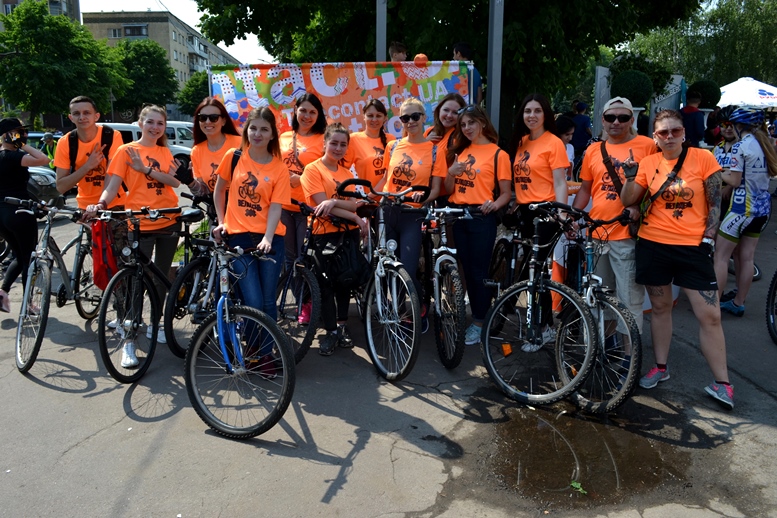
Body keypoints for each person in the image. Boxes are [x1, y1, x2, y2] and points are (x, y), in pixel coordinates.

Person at [620, 108, 733, 410]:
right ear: (655, 137)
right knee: (660, 308)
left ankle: (723, 383)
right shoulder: (649, 163)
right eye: (663, 132)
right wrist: (629, 177)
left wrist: (710, 235)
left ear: (684, 133)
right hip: (653, 244)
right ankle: (660, 366)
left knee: (710, 315)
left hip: (693, 247)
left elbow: (715, 203)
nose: (669, 136)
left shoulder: (703, 158)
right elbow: (628, 199)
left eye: (675, 131)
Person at [88, 105, 182, 367]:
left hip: (169, 219)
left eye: (160, 123)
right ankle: (129, 338)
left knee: (161, 278)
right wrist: (101, 204)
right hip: (139, 222)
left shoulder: (164, 151)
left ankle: (155, 324)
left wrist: (146, 170)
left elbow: (174, 182)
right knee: (134, 280)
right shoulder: (126, 151)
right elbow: (113, 184)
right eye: (150, 122)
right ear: (140, 124)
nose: (155, 127)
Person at [211, 107, 289, 373]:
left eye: (264, 129)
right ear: (246, 131)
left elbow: (276, 207)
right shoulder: (233, 158)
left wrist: (268, 237)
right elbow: (219, 191)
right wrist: (222, 221)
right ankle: (253, 348)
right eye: (253, 128)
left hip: (270, 240)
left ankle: (263, 354)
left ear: (272, 135)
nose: (258, 133)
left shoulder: (279, 167)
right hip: (238, 238)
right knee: (252, 301)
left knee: (267, 301)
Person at [572, 96, 656, 333]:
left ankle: (630, 353)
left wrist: (639, 208)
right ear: (602, 120)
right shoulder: (593, 150)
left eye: (622, 117)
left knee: (629, 302)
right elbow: (586, 189)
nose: (616, 122)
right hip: (598, 233)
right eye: (610, 117)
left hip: (627, 235)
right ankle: (604, 349)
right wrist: (572, 217)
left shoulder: (647, 146)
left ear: (631, 120)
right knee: (600, 299)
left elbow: (656, 186)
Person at [375, 97, 446, 328]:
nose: (411, 121)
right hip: (388, 211)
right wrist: (370, 196)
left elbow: (436, 189)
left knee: (406, 266)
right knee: (387, 266)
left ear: (424, 117)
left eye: (415, 116)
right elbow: (386, 179)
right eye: (405, 118)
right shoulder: (393, 146)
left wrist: (424, 197)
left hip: (412, 215)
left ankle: (418, 308)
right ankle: (396, 311)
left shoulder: (434, 150)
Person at [444, 105, 511, 345]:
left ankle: (480, 322)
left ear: (482, 122)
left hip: (482, 217)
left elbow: (506, 193)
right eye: (463, 125)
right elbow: (448, 189)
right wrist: (451, 172)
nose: (467, 128)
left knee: (478, 271)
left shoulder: (498, 154)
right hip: (458, 216)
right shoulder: (460, 151)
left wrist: (494, 205)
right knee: (465, 269)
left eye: (471, 123)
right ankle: (477, 315)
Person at [300, 123, 369, 356]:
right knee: (326, 285)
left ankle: (342, 326)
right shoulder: (312, 170)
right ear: (325, 143)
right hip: (323, 233)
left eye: (343, 144)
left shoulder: (347, 174)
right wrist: (354, 216)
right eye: (334, 143)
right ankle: (330, 331)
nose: (338, 148)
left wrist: (335, 202)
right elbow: (321, 205)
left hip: (347, 233)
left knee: (345, 283)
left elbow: (354, 204)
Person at [508, 93, 570, 348]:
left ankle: (543, 328)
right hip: (525, 211)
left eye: (537, 111)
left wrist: (562, 213)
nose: (531, 115)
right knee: (533, 270)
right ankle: (542, 325)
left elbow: (560, 182)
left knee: (536, 270)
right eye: (527, 111)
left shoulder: (553, 142)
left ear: (546, 114)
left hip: (546, 212)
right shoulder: (522, 141)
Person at [714, 108, 777, 317]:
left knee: (720, 256)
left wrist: (716, 171)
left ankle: (713, 305)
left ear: (739, 126)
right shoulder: (764, 144)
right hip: (762, 209)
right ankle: (738, 302)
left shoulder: (740, 146)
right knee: (747, 257)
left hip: (741, 209)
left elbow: (734, 180)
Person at [0, 118, 51, 313]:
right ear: (8, 135)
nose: (25, 135)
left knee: (20, 256)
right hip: (19, 213)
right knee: (30, 259)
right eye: (20, 132)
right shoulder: (13, 156)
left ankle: (3, 292)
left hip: (2, 214)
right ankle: (28, 304)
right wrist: (21, 144)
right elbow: (44, 159)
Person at [279, 93, 327, 276]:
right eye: (303, 111)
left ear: (318, 114)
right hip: (283, 205)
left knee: (303, 257)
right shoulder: (284, 137)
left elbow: (328, 171)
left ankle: (306, 293)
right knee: (288, 257)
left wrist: (302, 179)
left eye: (312, 112)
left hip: (307, 208)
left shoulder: (323, 139)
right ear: (295, 110)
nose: (307, 116)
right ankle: (293, 291)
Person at [54, 96, 124, 210]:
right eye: (76, 113)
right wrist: (87, 166)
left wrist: (100, 204)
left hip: (114, 204)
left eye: (87, 113)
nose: (82, 117)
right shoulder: (65, 142)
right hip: (85, 206)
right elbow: (61, 187)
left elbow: (112, 176)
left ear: (96, 116)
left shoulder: (112, 136)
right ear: (71, 118)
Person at [189, 96, 242, 194]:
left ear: (223, 121)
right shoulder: (196, 151)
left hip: (240, 203)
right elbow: (203, 192)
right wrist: (190, 182)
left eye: (213, 118)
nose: (208, 122)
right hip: (215, 203)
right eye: (203, 118)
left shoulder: (241, 143)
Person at [342, 98, 395, 188]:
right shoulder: (353, 140)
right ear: (364, 117)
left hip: (393, 195)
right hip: (368, 196)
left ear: (385, 118)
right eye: (370, 116)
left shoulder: (391, 139)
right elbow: (342, 171)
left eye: (378, 116)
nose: (374, 119)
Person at [425, 92, 467, 203]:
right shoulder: (429, 131)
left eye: (455, 112)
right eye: (446, 110)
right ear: (439, 110)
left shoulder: (458, 138)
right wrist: (425, 143)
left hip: (445, 197)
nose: (449, 115)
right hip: (424, 192)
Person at [554, 115, 576, 180]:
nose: (570, 138)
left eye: (572, 134)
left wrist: (573, 183)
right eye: (567, 134)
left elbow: (570, 172)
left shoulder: (570, 148)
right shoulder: (551, 149)